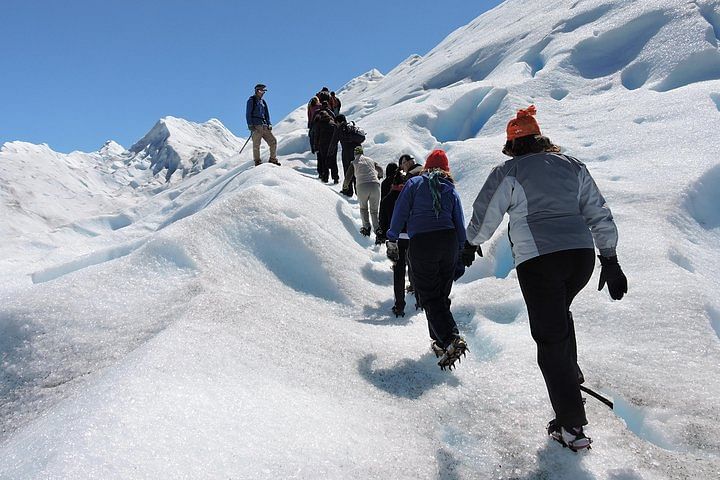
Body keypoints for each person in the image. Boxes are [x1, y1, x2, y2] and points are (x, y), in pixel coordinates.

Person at [463, 105, 628, 451]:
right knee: (559, 318)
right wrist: (609, 259)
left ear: (512, 146)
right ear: (541, 139)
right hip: (580, 259)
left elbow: (485, 215)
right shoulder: (573, 166)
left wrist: (469, 243)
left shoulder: (509, 171)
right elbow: (598, 211)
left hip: (540, 262)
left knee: (549, 338)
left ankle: (571, 427)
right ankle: (570, 376)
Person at [386, 149, 468, 370]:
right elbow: (459, 221)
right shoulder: (450, 188)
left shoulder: (414, 184)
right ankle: (440, 342)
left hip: (423, 242)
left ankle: (451, 338)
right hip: (449, 242)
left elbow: (400, 210)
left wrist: (392, 237)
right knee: (440, 295)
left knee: (429, 296)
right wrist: (460, 250)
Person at [379, 169, 410, 316]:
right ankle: (418, 297)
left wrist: (385, 236)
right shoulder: (411, 198)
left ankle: (399, 305)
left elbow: (382, 222)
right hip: (412, 238)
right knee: (414, 267)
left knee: (398, 272)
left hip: (395, 240)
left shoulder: (387, 199)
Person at [342, 146, 383, 239]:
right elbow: (379, 169)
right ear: (362, 152)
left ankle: (366, 228)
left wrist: (345, 186)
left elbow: (348, 175)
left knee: (363, 208)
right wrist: (380, 176)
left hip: (362, 185)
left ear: (355, 154)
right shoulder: (370, 160)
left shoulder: (354, 162)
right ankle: (377, 229)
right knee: (374, 210)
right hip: (375, 185)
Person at [245, 84, 279, 166]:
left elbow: (267, 114)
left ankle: (272, 159)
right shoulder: (251, 100)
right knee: (256, 144)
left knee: (273, 141)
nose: (263, 93)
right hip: (256, 126)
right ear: (256, 91)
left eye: (264, 91)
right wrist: (250, 124)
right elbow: (248, 113)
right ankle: (257, 161)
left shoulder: (263, 102)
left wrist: (269, 123)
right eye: (261, 91)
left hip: (264, 125)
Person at [334, 115, 366, 195]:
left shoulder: (340, 129)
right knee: (357, 171)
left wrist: (328, 155)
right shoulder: (352, 127)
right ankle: (359, 192)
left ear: (338, 122)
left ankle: (348, 191)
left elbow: (333, 143)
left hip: (347, 153)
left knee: (348, 171)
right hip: (358, 152)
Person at [312, 109, 339, 183]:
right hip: (333, 145)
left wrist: (315, 146)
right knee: (334, 161)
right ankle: (335, 178)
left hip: (323, 145)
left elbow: (316, 136)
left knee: (324, 161)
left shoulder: (319, 124)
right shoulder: (333, 123)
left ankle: (325, 177)